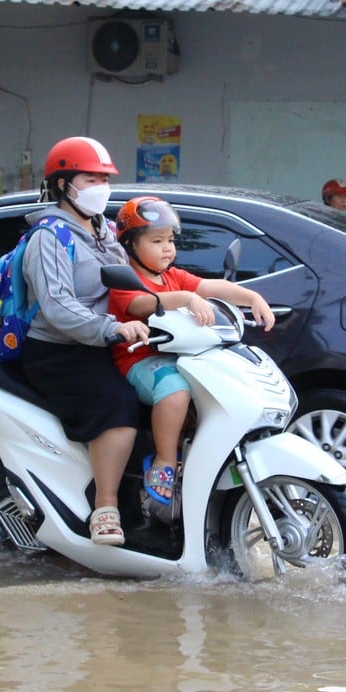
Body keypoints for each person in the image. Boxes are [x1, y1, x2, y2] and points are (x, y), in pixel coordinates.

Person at [20, 136, 150, 546]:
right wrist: (111, 328)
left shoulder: (104, 230)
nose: (100, 187)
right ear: (62, 185)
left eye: (104, 178)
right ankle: (105, 509)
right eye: (90, 178)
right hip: (59, 351)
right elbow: (57, 306)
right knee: (120, 403)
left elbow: (134, 278)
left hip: (100, 342)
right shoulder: (49, 238)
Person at [107, 196, 275, 504]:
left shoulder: (174, 276)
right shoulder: (126, 278)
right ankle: (165, 461)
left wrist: (252, 297)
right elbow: (139, 304)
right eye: (157, 241)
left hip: (182, 357)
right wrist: (184, 298)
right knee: (175, 390)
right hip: (140, 361)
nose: (167, 248)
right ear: (130, 245)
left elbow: (210, 287)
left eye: (170, 240)